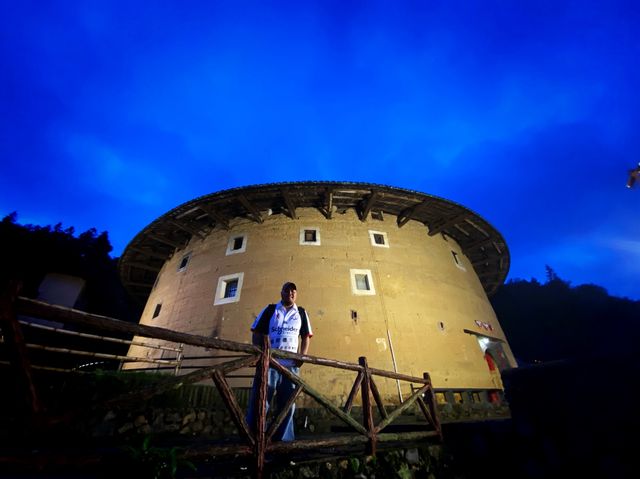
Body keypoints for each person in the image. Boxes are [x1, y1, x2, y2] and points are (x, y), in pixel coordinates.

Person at [246, 282, 312, 441]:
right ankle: (253, 438)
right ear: (281, 292)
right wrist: (258, 353)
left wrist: (302, 356)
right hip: (269, 364)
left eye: (293, 291)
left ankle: (284, 441)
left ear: (296, 294)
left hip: (291, 367)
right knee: (261, 402)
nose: (291, 293)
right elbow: (257, 332)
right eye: (287, 290)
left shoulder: (301, 312)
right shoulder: (269, 310)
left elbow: (305, 336)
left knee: (288, 405)